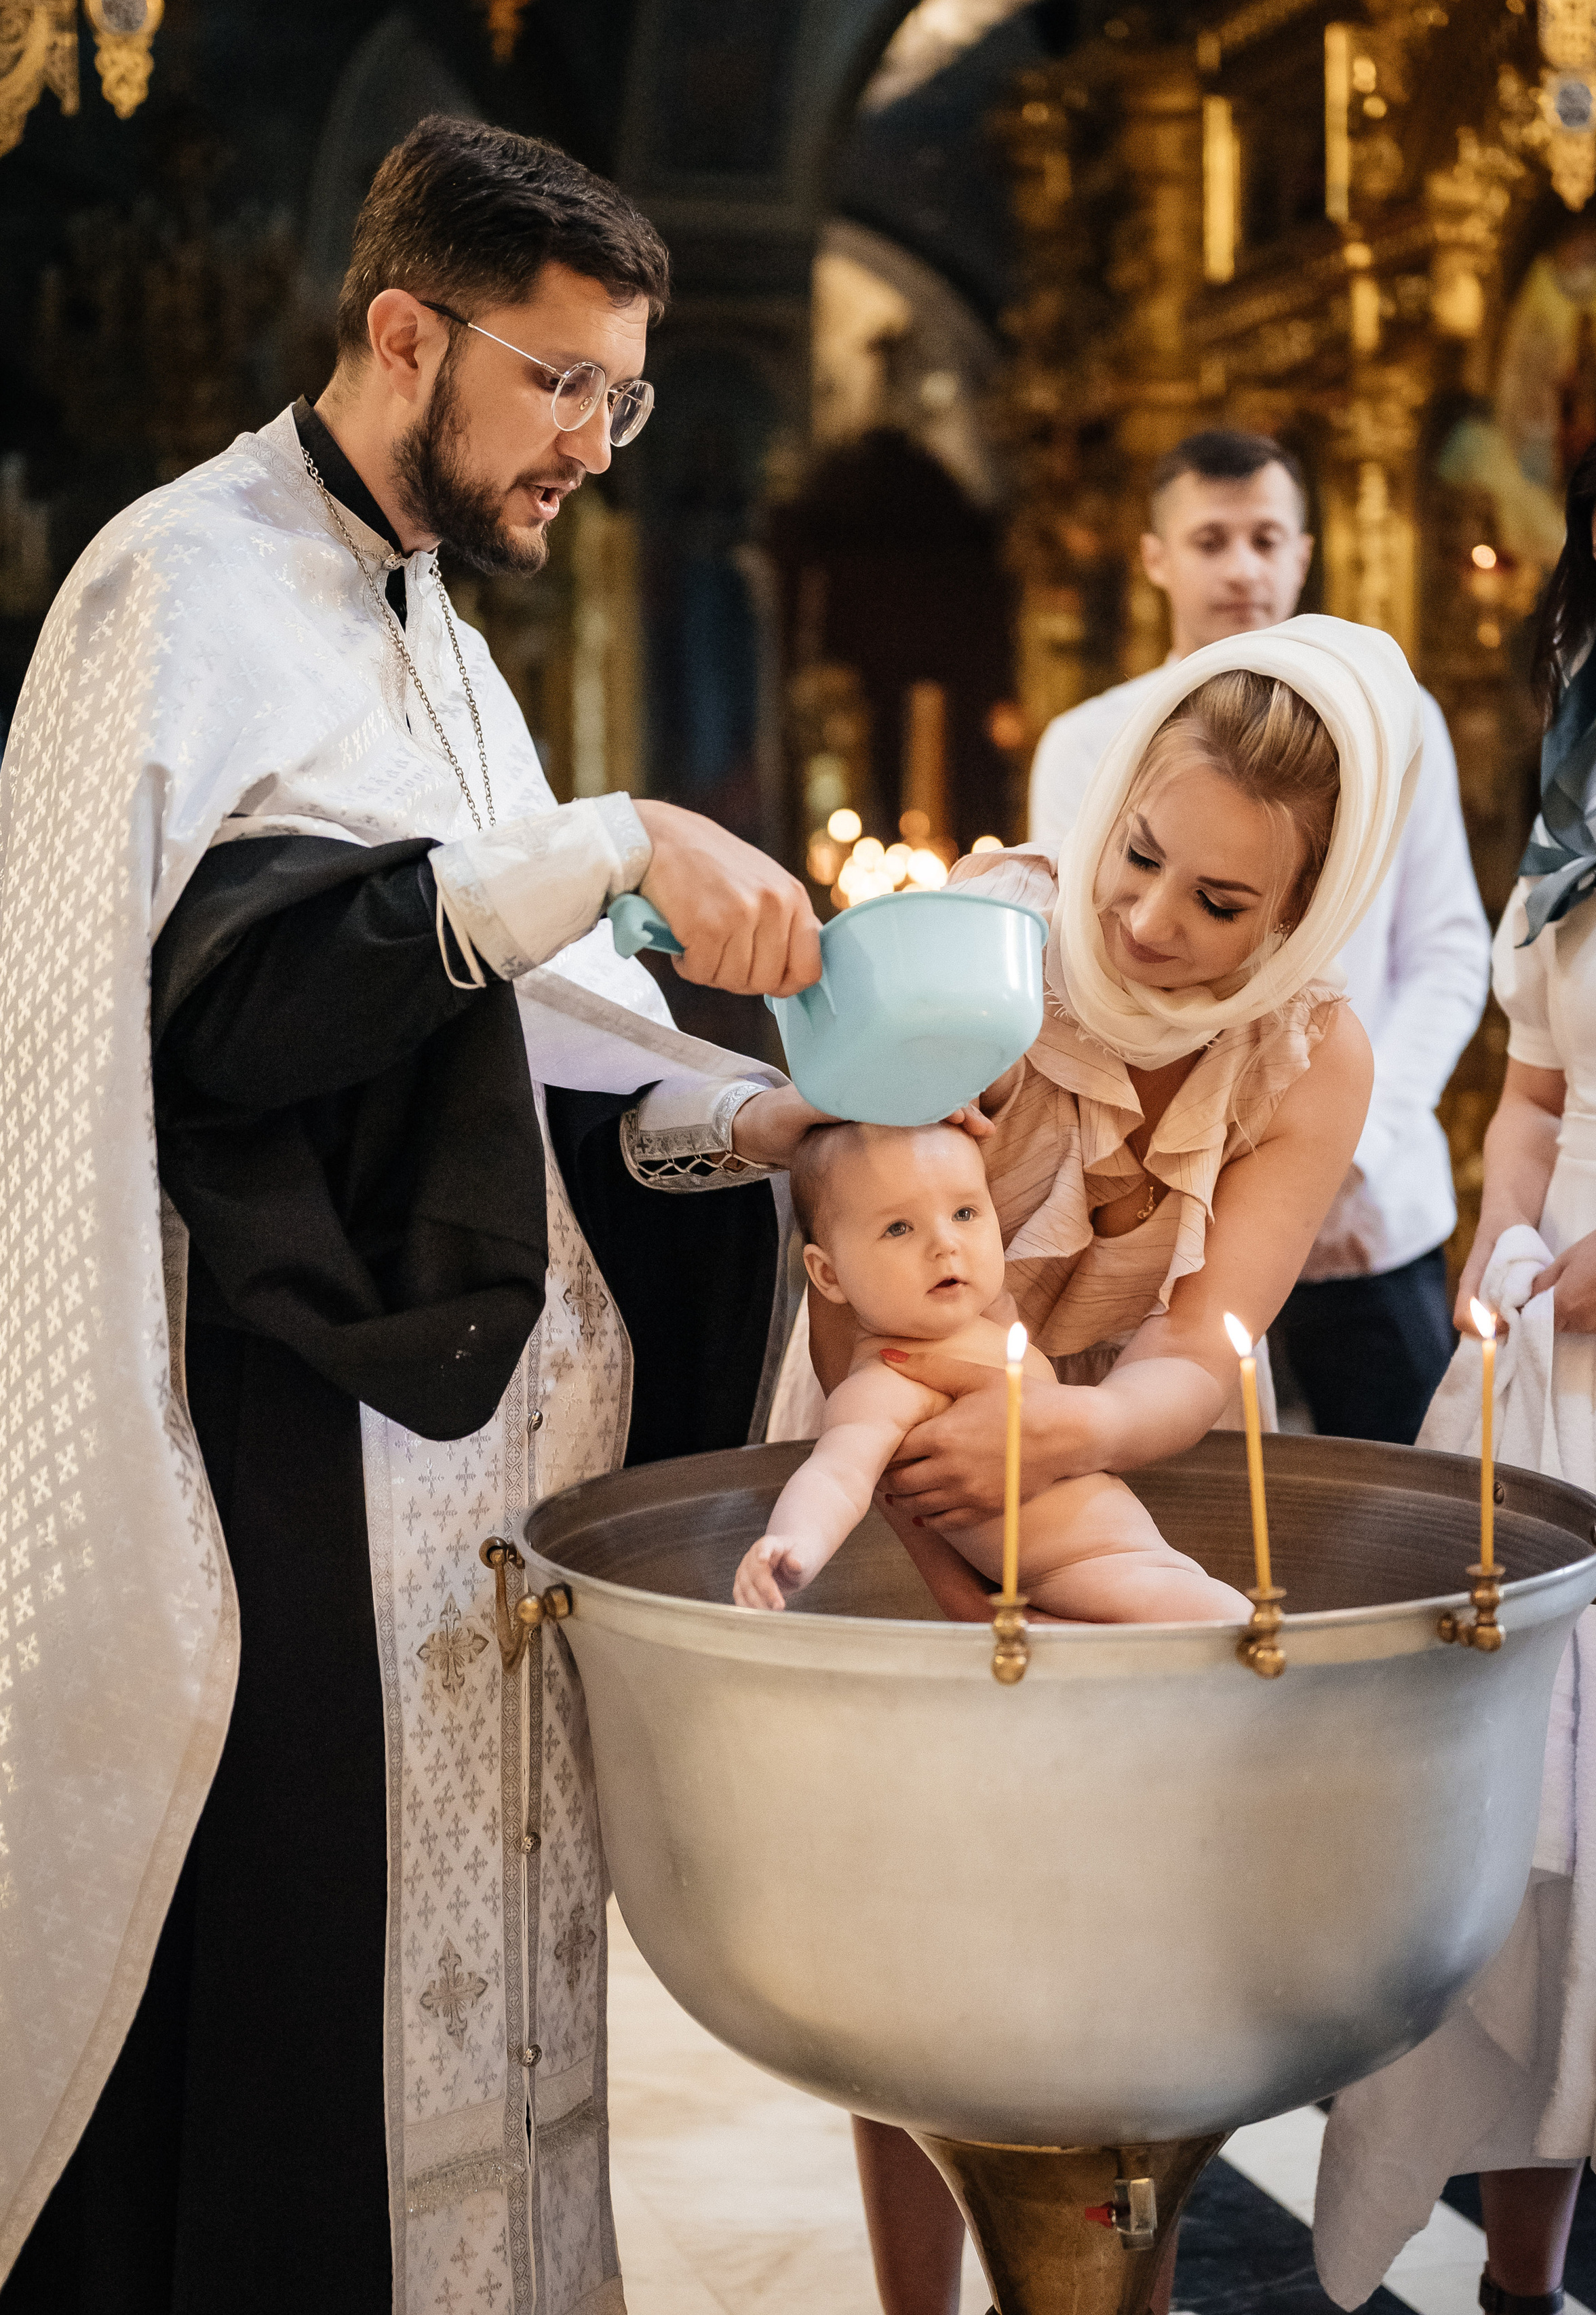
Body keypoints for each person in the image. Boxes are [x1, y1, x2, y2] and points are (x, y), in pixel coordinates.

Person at [0, 117, 830, 2314]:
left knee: (495, 2018)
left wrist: (744, 1135)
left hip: (478, 1474)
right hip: (281, 1448)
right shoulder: (178, 586)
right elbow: (225, 1028)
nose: (598, 445)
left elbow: (501, 1053)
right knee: (293, 2017)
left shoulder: (436, 631)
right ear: (403, 330)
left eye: (626, 396)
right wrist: (618, 833)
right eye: (564, 383)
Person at [800, 615, 1422, 2315]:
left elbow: (1202, 1344)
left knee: (1115, 1921)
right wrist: (925, 1475)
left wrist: (1070, 1433)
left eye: (1221, 905)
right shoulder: (989, 946)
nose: (1147, 920)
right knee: (907, 1937)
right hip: (892, 1436)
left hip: (1100, 1467)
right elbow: (844, 1243)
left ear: (1304, 910)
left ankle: (1113, 2296)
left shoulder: (1311, 1058)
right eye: (1138, 854)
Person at [1312, 362, 1596, 2314]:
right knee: (1530, 1827)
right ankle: (1517, 2270)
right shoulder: (1586, 761)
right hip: (1563, 1319)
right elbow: (1543, 1074)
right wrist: (1508, 1226)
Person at [1028, 427, 1489, 1444]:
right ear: (1156, 558)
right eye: (1210, 541)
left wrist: (1347, 1138)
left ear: (1304, 555)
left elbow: (1451, 948)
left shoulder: (1398, 728)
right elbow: (1087, 973)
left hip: (1363, 1200)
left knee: (1393, 1497)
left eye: (1266, 539)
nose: (1242, 568)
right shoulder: (1090, 741)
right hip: (1145, 1206)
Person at [735, 1122, 1245, 1622]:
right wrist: (792, 1546)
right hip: (1084, 1576)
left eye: (964, 1212)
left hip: (1138, 1558)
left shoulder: (988, 1322)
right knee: (1234, 1624)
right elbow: (836, 1477)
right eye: (898, 1227)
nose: (945, 1244)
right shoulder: (886, 1382)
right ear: (828, 1274)